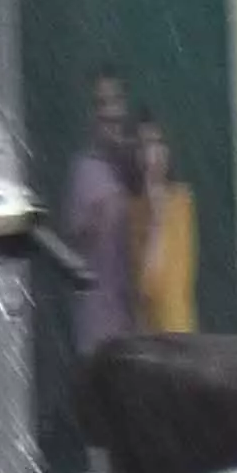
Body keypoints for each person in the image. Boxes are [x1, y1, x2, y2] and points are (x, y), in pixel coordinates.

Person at [61, 70, 134, 354]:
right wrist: (100, 215)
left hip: (141, 323)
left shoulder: (139, 165)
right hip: (100, 327)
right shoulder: (84, 170)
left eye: (114, 101)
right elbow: (75, 244)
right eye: (101, 103)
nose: (109, 112)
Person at [127, 113, 198, 335]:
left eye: (157, 144)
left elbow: (182, 276)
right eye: (144, 146)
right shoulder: (133, 211)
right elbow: (146, 287)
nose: (151, 154)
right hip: (149, 334)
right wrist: (155, 219)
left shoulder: (182, 200)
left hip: (179, 329)